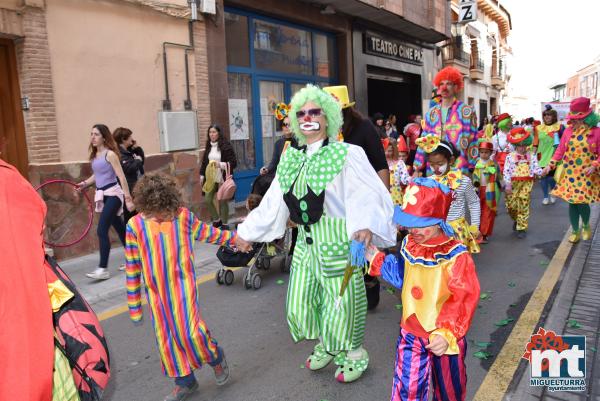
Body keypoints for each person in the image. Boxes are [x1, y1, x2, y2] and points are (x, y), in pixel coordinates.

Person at [235, 84, 396, 383]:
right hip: (307, 242)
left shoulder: (348, 153)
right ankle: (329, 343)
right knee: (303, 301)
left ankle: (354, 352)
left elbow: (365, 193)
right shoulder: (292, 158)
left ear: (329, 116)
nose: (307, 117)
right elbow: (275, 201)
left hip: (338, 238)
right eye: (301, 113)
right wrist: (248, 231)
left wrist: (363, 223)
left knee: (342, 301)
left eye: (315, 111)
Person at [364, 178, 480, 401]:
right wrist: (376, 258)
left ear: (438, 221)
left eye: (421, 223)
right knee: (407, 389)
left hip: (445, 335)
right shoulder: (409, 244)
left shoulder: (456, 256)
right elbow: (403, 276)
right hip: (411, 332)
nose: (413, 229)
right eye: (409, 222)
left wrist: (446, 333)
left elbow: (463, 298)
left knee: (449, 390)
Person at [125, 173, 234, 401]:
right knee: (167, 340)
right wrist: (134, 306)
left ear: (171, 203)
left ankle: (216, 357)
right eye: (156, 213)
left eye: (166, 211)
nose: (162, 216)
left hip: (183, 288)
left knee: (191, 333)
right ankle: (185, 381)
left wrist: (236, 239)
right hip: (157, 296)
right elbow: (133, 267)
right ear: (145, 207)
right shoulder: (134, 226)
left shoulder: (183, 218)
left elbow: (210, 234)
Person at [77, 124, 134, 280]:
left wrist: (128, 198)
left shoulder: (110, 155)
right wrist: (84, 184)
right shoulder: (96, 155)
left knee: (102, 230)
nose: (93, 137)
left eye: (96, 134)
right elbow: (97, 176)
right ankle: (135, 259)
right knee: (121, 230)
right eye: (91, 134)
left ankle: (103, 269)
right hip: (103, 195)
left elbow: (121, 177)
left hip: (114, 194)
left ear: (104, 137)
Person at [544, 97, 600, 243]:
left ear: (587, 117)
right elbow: (560, 151)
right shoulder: (568, 132)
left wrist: (594, 165)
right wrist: (550, 165)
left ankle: (586, 225)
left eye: (577, 118)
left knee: (581, 201)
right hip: (570, 172)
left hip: (586, 173)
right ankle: (575, 230)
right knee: (572, 202)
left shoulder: (597, 132)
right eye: (573, 118)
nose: (573, 121)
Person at [417, 135, 481, 253]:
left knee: (459, 265)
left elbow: (474, 202)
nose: (435, 168)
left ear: (451, 161)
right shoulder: (428, 182)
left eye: (440, 163)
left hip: (458, 232)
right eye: (432, 164)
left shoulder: (463, 181)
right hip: (436, 231)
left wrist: (475, 225)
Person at [414, 67, 478, 176]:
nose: (444, 87)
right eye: (441, 84)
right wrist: (417, 168)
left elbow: (473, 139)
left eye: (448, 83)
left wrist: (473, 167)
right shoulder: (431, 114)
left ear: (456, 86)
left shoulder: (467, 111)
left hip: (459, 167)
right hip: (435, 167)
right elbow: (424, 141)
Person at [323, 85, 389, 188]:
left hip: (362, 190)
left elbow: (380, 163)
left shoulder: (363, 126)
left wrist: (386, 198)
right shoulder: (320, 131)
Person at [503, 127, 544, 239]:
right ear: (515, 145)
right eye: (519, 145)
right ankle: (516, 219)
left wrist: (543, 172)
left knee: (524, 204)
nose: (522, 148)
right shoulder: (510, 156)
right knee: (511, 206)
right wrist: (507, 184)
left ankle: (522, 227)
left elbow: (536, 168)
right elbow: (506, 171)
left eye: (524, 145)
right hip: (513, 184)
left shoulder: (531, 155)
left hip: (526, 184)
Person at [199, 124, 238, 228]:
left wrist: (220, 165)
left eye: (214, 132)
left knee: (223, 201)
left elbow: (233, 162)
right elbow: (204, 162)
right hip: (211, 177)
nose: (212, 134)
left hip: (223, 177)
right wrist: (202, 175)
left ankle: (225, 223)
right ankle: (217, 219)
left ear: (219, 133)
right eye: (210, 132)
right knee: (208, 199)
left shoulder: (226, 146)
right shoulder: (209, 145)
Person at [113, 127, 145, 223]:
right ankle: (130, 237)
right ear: (123, 139)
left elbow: (141, 162)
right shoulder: (120, 154)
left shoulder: (128, 151)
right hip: (130, 189)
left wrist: (137, 148)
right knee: (131, 217)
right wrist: (138, 160)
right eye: (130, 136)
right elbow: (129, 169)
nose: (132, 138)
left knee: (139, 216)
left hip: (137, 188)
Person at [472, 139, 499, 243]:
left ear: (491, 153)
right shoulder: (477, 163)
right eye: (482, 152)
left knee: (488, 212)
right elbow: (474, 175)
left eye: (486, 152)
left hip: (490, 190)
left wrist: (502, 184)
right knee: (477, 211)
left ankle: (484, 233)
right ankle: (476, 231)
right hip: (478, 190)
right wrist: (475, 185)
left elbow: (498, 176)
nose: (484, 154)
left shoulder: (493, 164)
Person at [260, 103, 298, 177]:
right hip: (281, 179)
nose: (287, 127)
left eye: (289, 124)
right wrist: (266, 169)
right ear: (282, 127)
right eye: (284, 124)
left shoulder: (299, 143)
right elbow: (274, 163)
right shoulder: (278, 143)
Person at [537, 107, 564, 205]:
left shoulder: (559, 127)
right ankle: (545, 196)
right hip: (541, 155)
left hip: (554, 155)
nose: (547, 116)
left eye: (549, 114)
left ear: (554, 116)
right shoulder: (539, 128)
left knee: (551, 177)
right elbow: (536, 141)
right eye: (545, 115)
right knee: (543, 177)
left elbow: (565, 140)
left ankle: (553, 192)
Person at [385, 138, 410, 206]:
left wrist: (414, 179)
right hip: (383, 195)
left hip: (396, 196)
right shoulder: (380, 163)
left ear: (394, 151)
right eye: (385, 150)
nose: (387, 153)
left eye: (389, 151)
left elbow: (405, 179)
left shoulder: (399, 163)